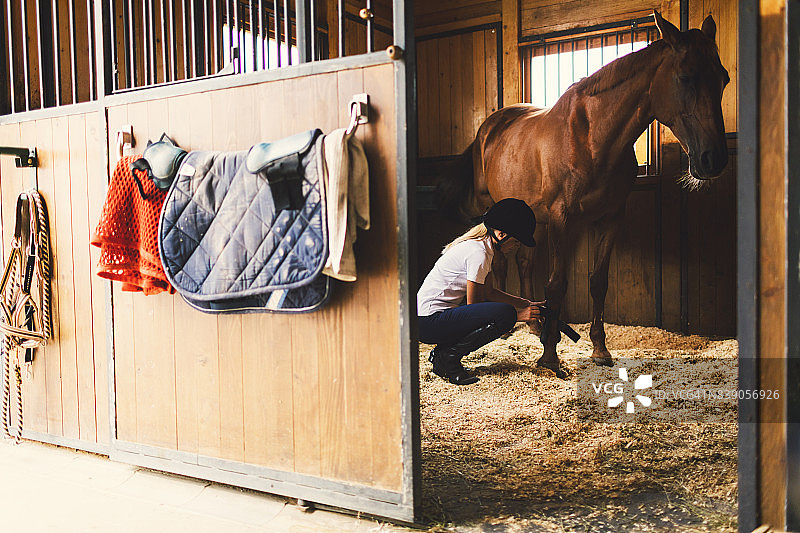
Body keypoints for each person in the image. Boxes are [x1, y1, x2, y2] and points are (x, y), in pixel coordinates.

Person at [417, 198, 543, 385]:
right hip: (429, 322)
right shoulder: (479, 253)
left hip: (427, 320)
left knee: (504, 311)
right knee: (505, 314)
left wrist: (525, 303)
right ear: (501, 234)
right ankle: (447, 357)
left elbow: (489, 292)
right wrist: (518, 315)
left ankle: (444, 354)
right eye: (516, 241)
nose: (517, 247)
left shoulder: (482, 247)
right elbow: (474, 306)